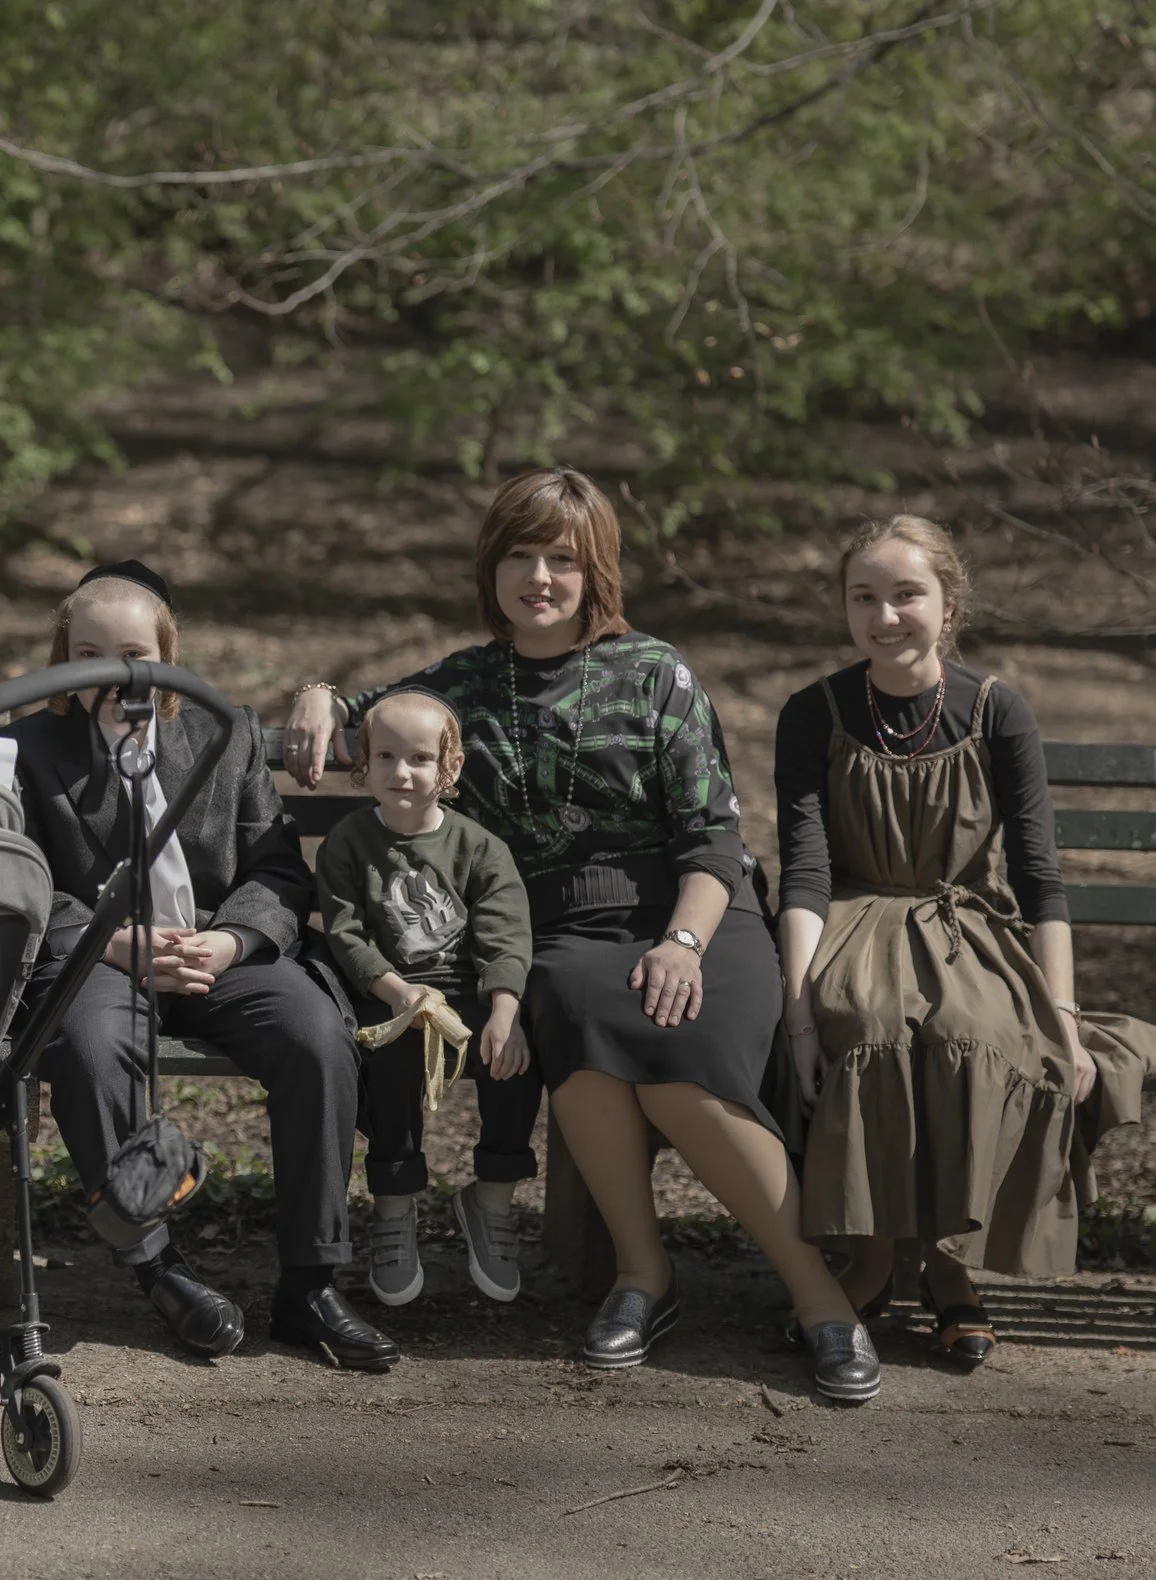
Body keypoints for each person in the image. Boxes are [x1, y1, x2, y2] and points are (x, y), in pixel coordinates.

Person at [283, 468, 882, 1403]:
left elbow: (713, 839)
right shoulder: (465, 683)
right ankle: (644, 1277)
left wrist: (683, 944)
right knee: (583, 1023)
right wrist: (321, 695)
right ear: (492, 568)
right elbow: (370, 714)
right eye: (520, 556)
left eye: (562, 559)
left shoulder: (656, 673)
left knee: (680, 1060)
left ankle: (820, 1299)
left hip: (696, 914)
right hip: (561, 929)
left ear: (594, 569)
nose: (539, 578)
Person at [775, 515, 1150, 1364]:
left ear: (950, 604)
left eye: (907, 594)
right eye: (863, 597)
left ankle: (950, 1264)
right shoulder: (813, 713)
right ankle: (872, 1259)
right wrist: (796, 1015)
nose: (885, 616)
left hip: (965, 922)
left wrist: (1063, 1016)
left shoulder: (996, 710)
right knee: (867, 1028)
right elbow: (804, 870)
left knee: (974, 1033)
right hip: (851, 920)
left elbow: (1040, 877)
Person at [6, 561, 394, 1371]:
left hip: (215, 948)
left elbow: (277, 869)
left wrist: (232, 941)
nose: (115, 676)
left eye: (135, 655)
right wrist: (112, 941)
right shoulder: (28, 748)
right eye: (89, 655)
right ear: (62, 657)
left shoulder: (226, 734)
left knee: (315, 1034)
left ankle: (311, 1282)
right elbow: (18, 876)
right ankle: (159, 1267)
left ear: (168, 654)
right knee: (89, 1047)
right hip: (102, 958)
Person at [315, 688, 538, 1307]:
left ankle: (492, 1197)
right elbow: (347, 934)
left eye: (419, 758)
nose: (402, 772)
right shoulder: (348, 843)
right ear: (364, 764)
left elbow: (505, 934)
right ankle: (394, 1206)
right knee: (388, 1062)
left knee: (515, 1057)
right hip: (386, 991)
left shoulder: (479, 848)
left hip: (469, 989)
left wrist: (504, 1011)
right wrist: (397, 993)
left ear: (450, 767)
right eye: (385, 756)